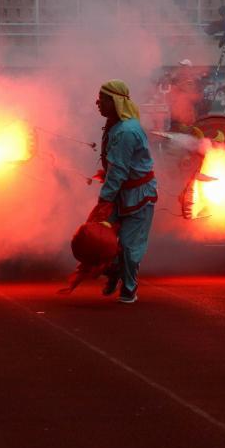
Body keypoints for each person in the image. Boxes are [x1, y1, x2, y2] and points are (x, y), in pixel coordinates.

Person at [88, 80, 158, 303]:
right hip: (120, 192)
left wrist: (104, 199)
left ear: (115, 101)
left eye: (102, 99)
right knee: (99, 237)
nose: (98, 103)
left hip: (138, 194)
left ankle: (129, 288)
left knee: (129, 245)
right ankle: (114, 269)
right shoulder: (115, 125)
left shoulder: (127, 131)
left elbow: (118, 170)